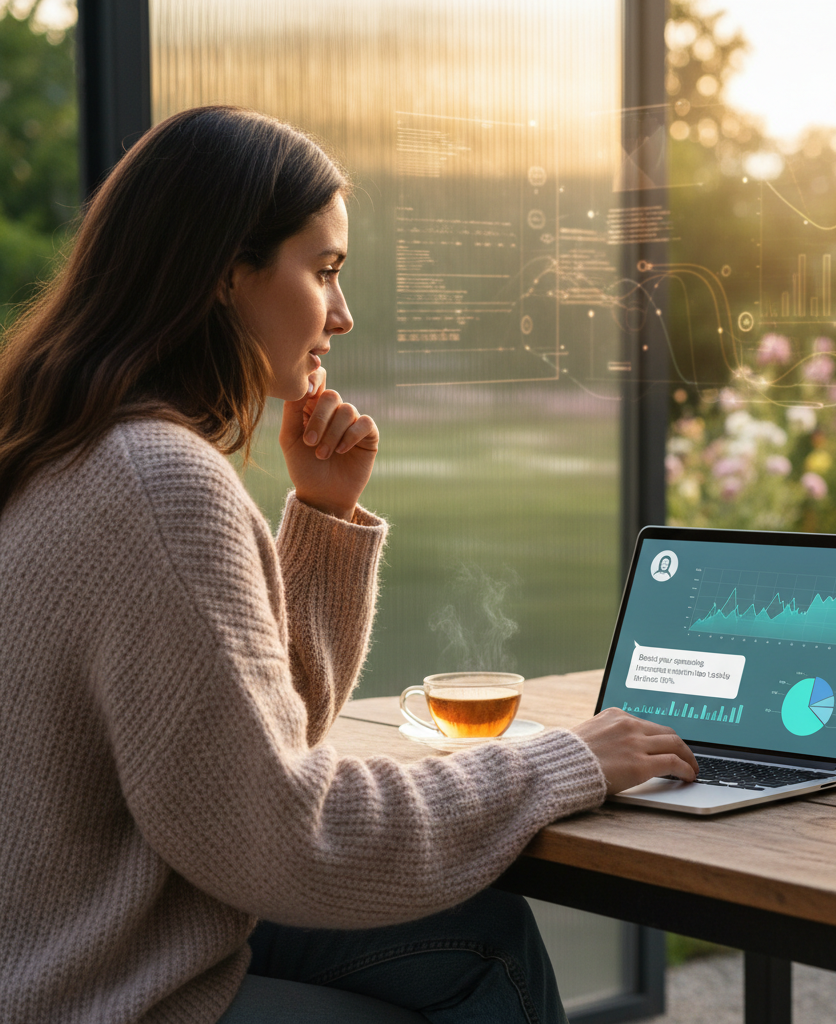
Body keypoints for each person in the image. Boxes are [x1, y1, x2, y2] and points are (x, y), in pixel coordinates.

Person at [0, 105, 697, 1024]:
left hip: (68, 944)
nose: (343, 312)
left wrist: (323, 518)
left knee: (484, 934)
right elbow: (293, 835)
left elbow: (239, 755)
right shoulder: (160, 482)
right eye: (323, 270)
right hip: (94, 994)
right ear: (225, 273)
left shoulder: (65, 445)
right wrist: (564, 761)